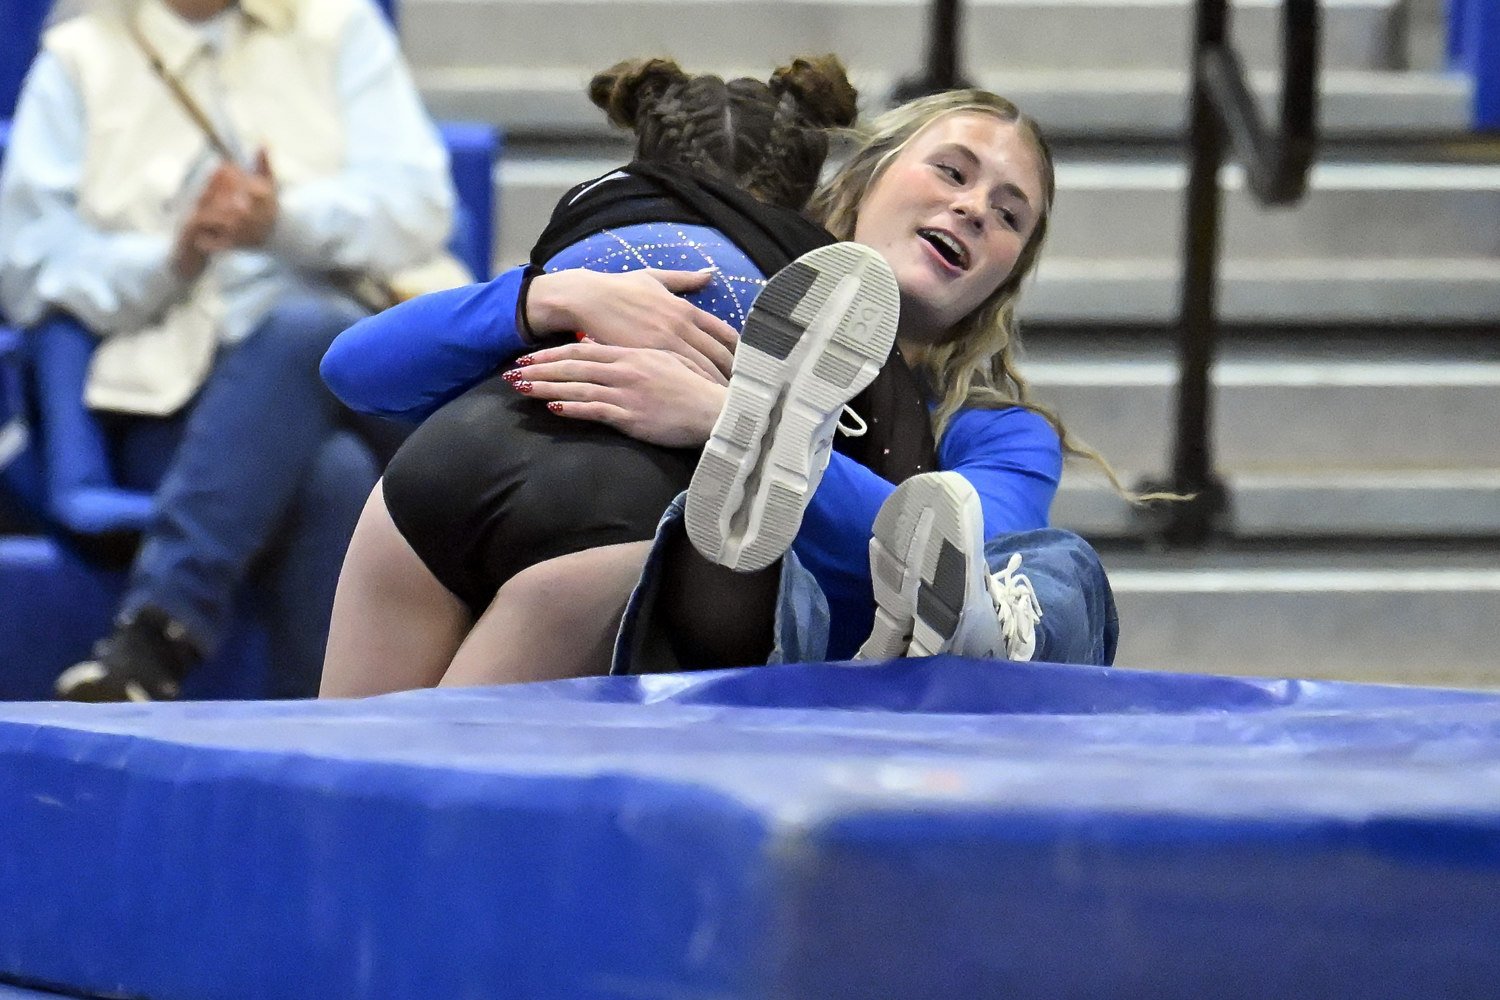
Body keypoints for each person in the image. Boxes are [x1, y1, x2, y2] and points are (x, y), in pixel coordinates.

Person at [321, 87, 1124, 696]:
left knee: (356, 827)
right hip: (515, 493)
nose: (974, 208)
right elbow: (351, 367)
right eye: (952, 171)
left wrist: (722, 419)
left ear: (1009, 273)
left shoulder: (999, 429)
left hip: (527, 503)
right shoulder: (723, 268)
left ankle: (777, 436)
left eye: (1010, 215)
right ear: (865, 179)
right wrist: (548, 298)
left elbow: (966, 560)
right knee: (401, 834)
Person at [318, 55, 868, 694]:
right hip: (613, 512)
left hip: (439, 467)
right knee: (443, 785)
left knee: (338, 778)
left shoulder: (590, 238)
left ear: (645, 159)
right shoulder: (809, 281)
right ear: (808, 198)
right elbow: (876, 541)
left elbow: (345, 367)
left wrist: (539, 299)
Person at [0, 0, 467, 701]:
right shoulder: (79, 58)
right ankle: (325, 756)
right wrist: (171, 258)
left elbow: (420, 208)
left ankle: (158, 635)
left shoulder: (340, 29)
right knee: (332, 478)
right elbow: (27, 266)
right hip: (168, 401)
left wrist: (287, 222)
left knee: (310, 327)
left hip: (361, 381)